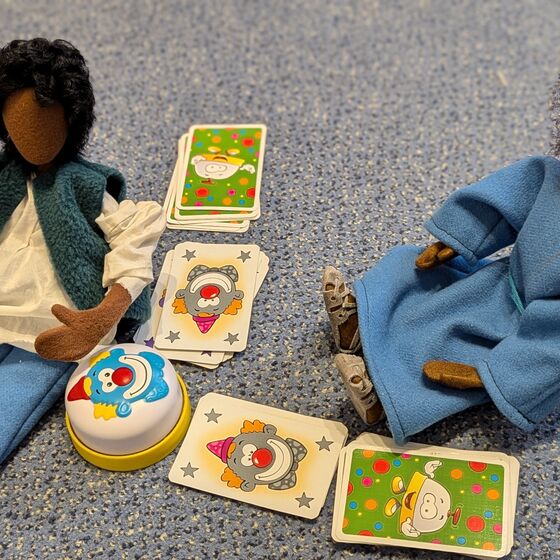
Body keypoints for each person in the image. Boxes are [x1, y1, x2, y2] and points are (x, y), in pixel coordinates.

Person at [0, 38, 165, 463]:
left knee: (8, 403)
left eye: (45, 123)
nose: (32, 136)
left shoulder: (84, 184)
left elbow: (133, 235)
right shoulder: (4, 177)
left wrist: (109, 309)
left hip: (53, 325)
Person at [323, 150, 560, 444]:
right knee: (412, 270)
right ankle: (355, 324)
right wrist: (464, 236)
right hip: (501, 278)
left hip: (528, 327)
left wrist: (497, 375)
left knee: (448, 353)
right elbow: (507, 200)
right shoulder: (551, 178)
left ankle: (380, 400)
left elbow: (553, 348)